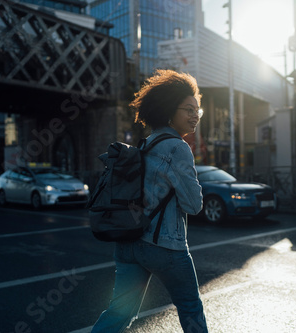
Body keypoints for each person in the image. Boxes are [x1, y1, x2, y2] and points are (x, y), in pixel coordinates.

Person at [91, 69, 208, 333]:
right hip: (164, 245)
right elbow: (194, 205)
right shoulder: (178, 147)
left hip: (128, 242)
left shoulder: (145, 145)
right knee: (190, 307)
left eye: (197, 111)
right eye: (188, 109)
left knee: (120, 313)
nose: (194, 116)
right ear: (169, 110)